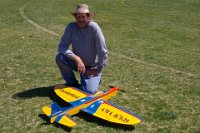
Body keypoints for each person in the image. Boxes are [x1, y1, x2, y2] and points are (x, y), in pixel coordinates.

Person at [55, 4, 108, 94]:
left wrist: (97, 70)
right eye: (78, 17)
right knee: (60, 58)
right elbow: (62, 47)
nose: (80, 20)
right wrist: (77, 59)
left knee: (89, 91)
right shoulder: (71, 27)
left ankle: (95, 78)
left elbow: (102, 51)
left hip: (92, 67)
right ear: (75, 17)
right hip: (78, 64)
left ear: (88, 17)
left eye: (83, 17)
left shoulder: (94, 28)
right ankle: (72, 83)